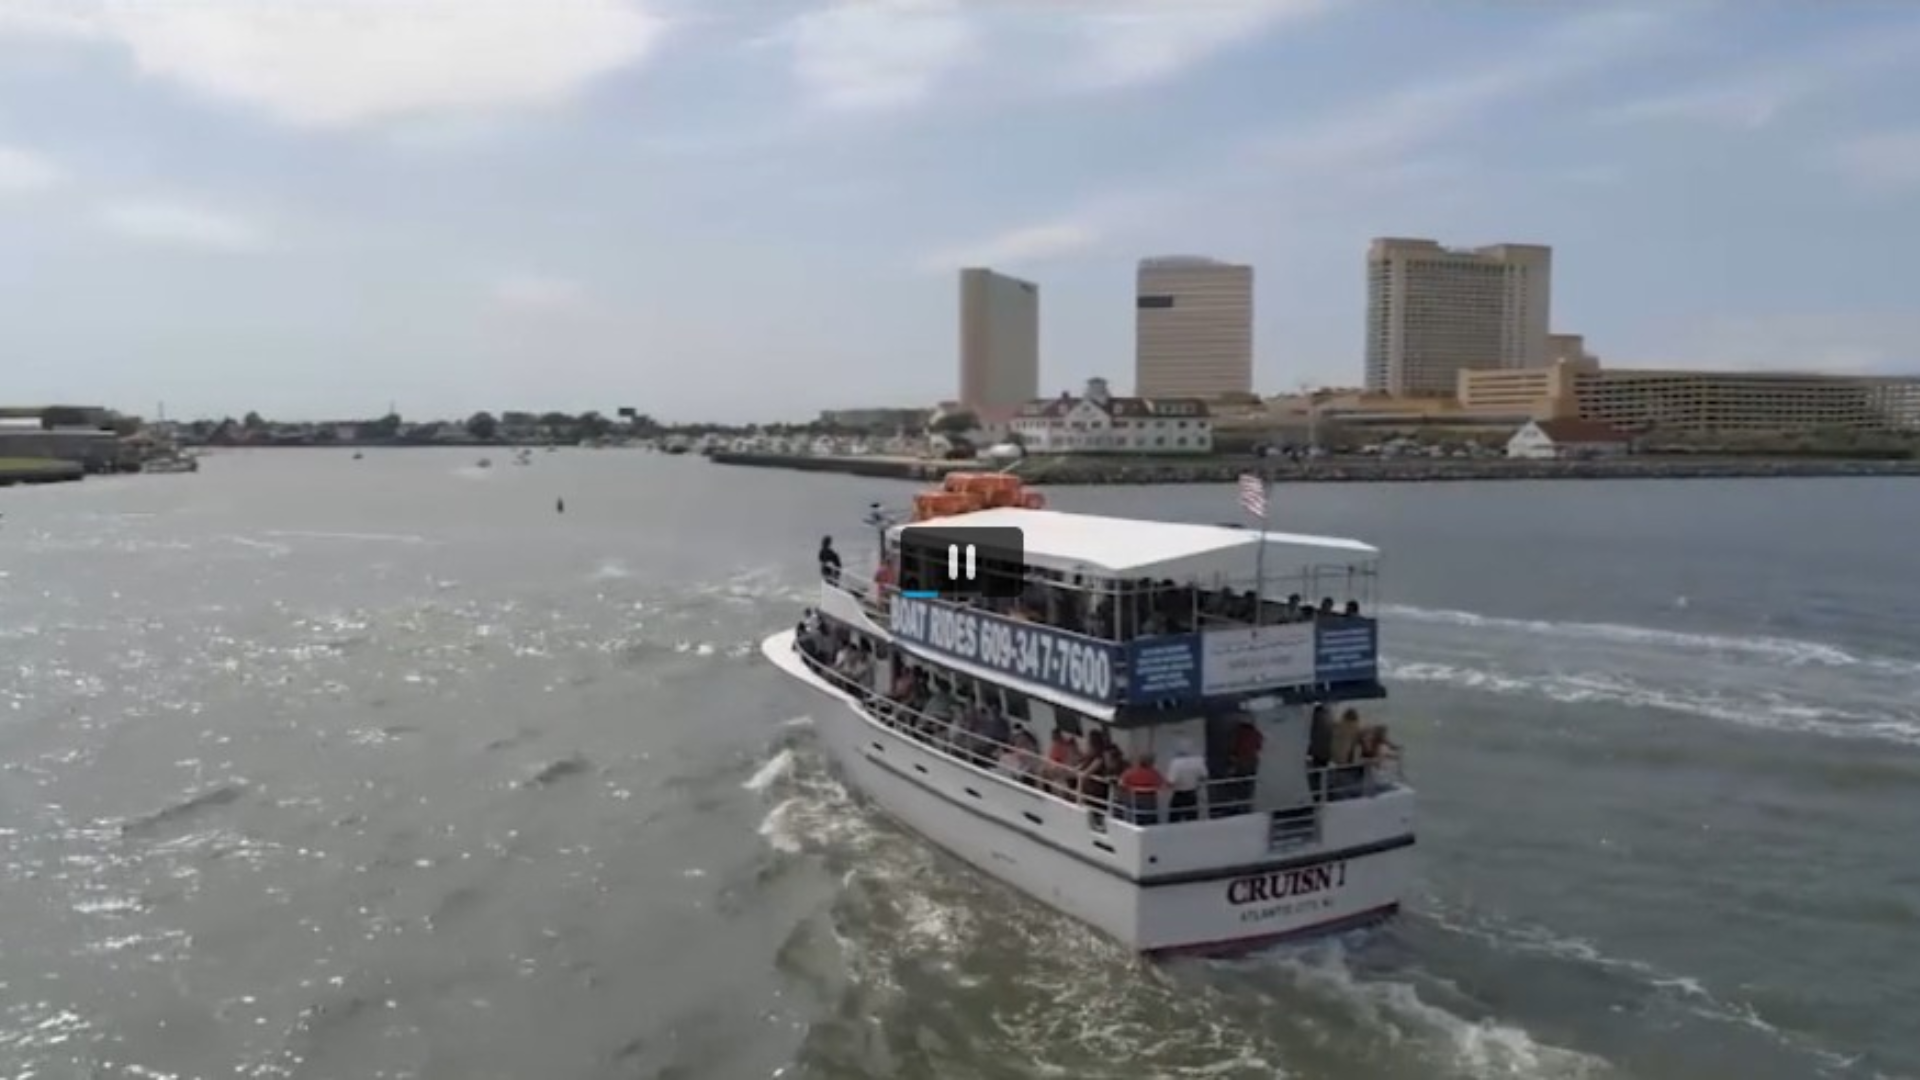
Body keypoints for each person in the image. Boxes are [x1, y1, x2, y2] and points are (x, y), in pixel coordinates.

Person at [1163, 740, 1209, 822]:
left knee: (1174, 819)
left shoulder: (1175, 763)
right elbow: (1204, 776)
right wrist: (1196, 784)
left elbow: (1171, 782)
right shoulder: (1198, 760)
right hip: (1192, 793)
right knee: (1192, 819)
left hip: (1179, 794)